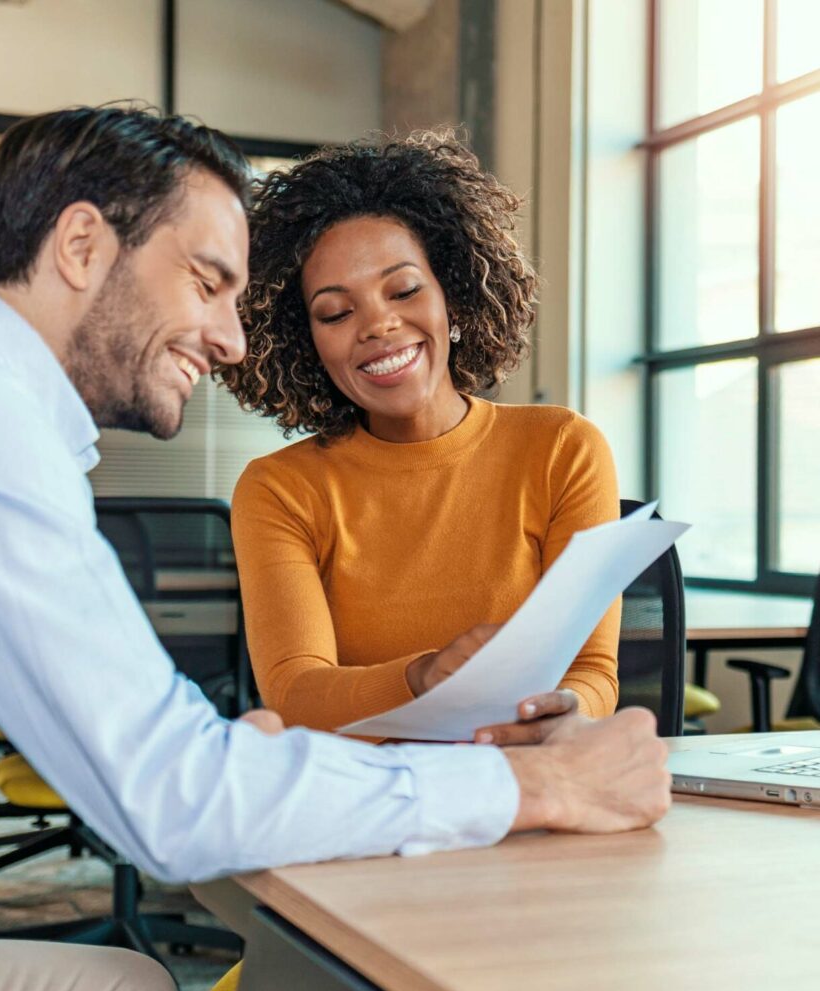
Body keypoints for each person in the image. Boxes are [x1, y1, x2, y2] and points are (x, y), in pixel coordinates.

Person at [0, 106, 669, 991]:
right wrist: (535, 784)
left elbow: (157, 745)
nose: (232, 338)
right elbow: (169, 802)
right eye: (209, 282)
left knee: (141, 989)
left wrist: (226, 753)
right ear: (84, 245)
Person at [221, 130, 620, 744]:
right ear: (308, 343)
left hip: (526, 783)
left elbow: (592, 672)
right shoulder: (279, 489)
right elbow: (296, 692)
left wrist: (566, 712)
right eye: (335, 312)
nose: (378, 324)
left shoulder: (563, 449)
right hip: (364, 800)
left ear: (453, 300)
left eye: (403, 290)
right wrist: (422, 677)